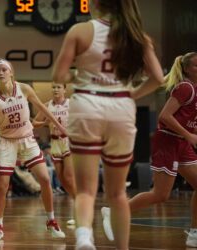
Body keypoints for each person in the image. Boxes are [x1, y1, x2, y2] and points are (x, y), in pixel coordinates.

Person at [51, 0, 164, 249]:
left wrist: (78, 73)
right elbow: (158, 78)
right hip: (121, 108)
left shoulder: (81, 31)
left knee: (85, 190)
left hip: (87, 103)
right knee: (117, 194)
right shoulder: (137, 36)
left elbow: (58, 76)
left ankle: (83, 237)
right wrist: (130, 94)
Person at [102, 52, 197, 248]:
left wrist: (191, 134)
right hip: (168, 142)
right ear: (187, 69)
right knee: (160, 195)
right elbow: (164, 116)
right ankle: (114, 212)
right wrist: (190, 136)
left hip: (182, 143)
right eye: (196, 66)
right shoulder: (185, 87)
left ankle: (195, 233)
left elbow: (189, 120)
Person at [0, 58, 67, 241]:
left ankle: (51, 221)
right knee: (3, 186)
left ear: (11, 72)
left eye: (4, 69)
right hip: (6, 142)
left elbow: (43, 108)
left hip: (27, 140)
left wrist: (60, 128)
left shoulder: (24, 89)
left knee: (45, 179)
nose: (1, 73)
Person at [33, 82, 77, 225]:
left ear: (65, 89)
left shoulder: (71, 104)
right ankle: (79, 202)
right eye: (54, 87)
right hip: (55, 143)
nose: (56, 89)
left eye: (58, 87)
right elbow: (35, 122)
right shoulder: (47, 105)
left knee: (69, 178)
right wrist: (45, 122)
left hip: (68, 142)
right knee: (62, 180)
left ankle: (80, 210)